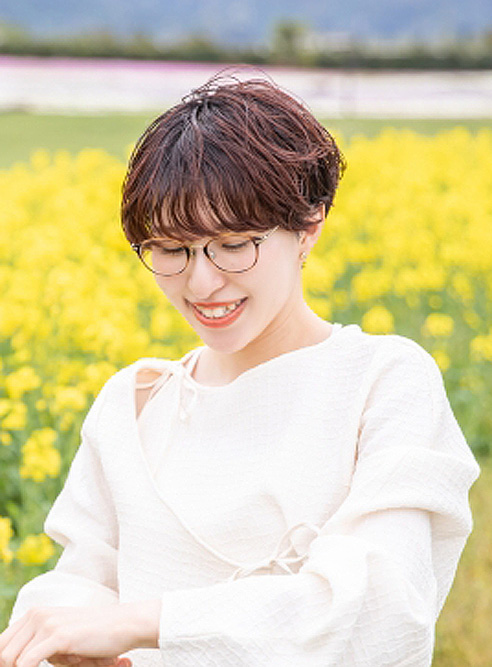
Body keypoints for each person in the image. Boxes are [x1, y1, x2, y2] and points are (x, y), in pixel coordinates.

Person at [0, 75, 480, 667]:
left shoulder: (382, 382)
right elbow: (76, 584)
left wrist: (142, 623)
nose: (201, 283)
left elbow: (382, 613)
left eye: (233, 245)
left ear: (309, 225)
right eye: (171, 249)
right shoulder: (133, 406)